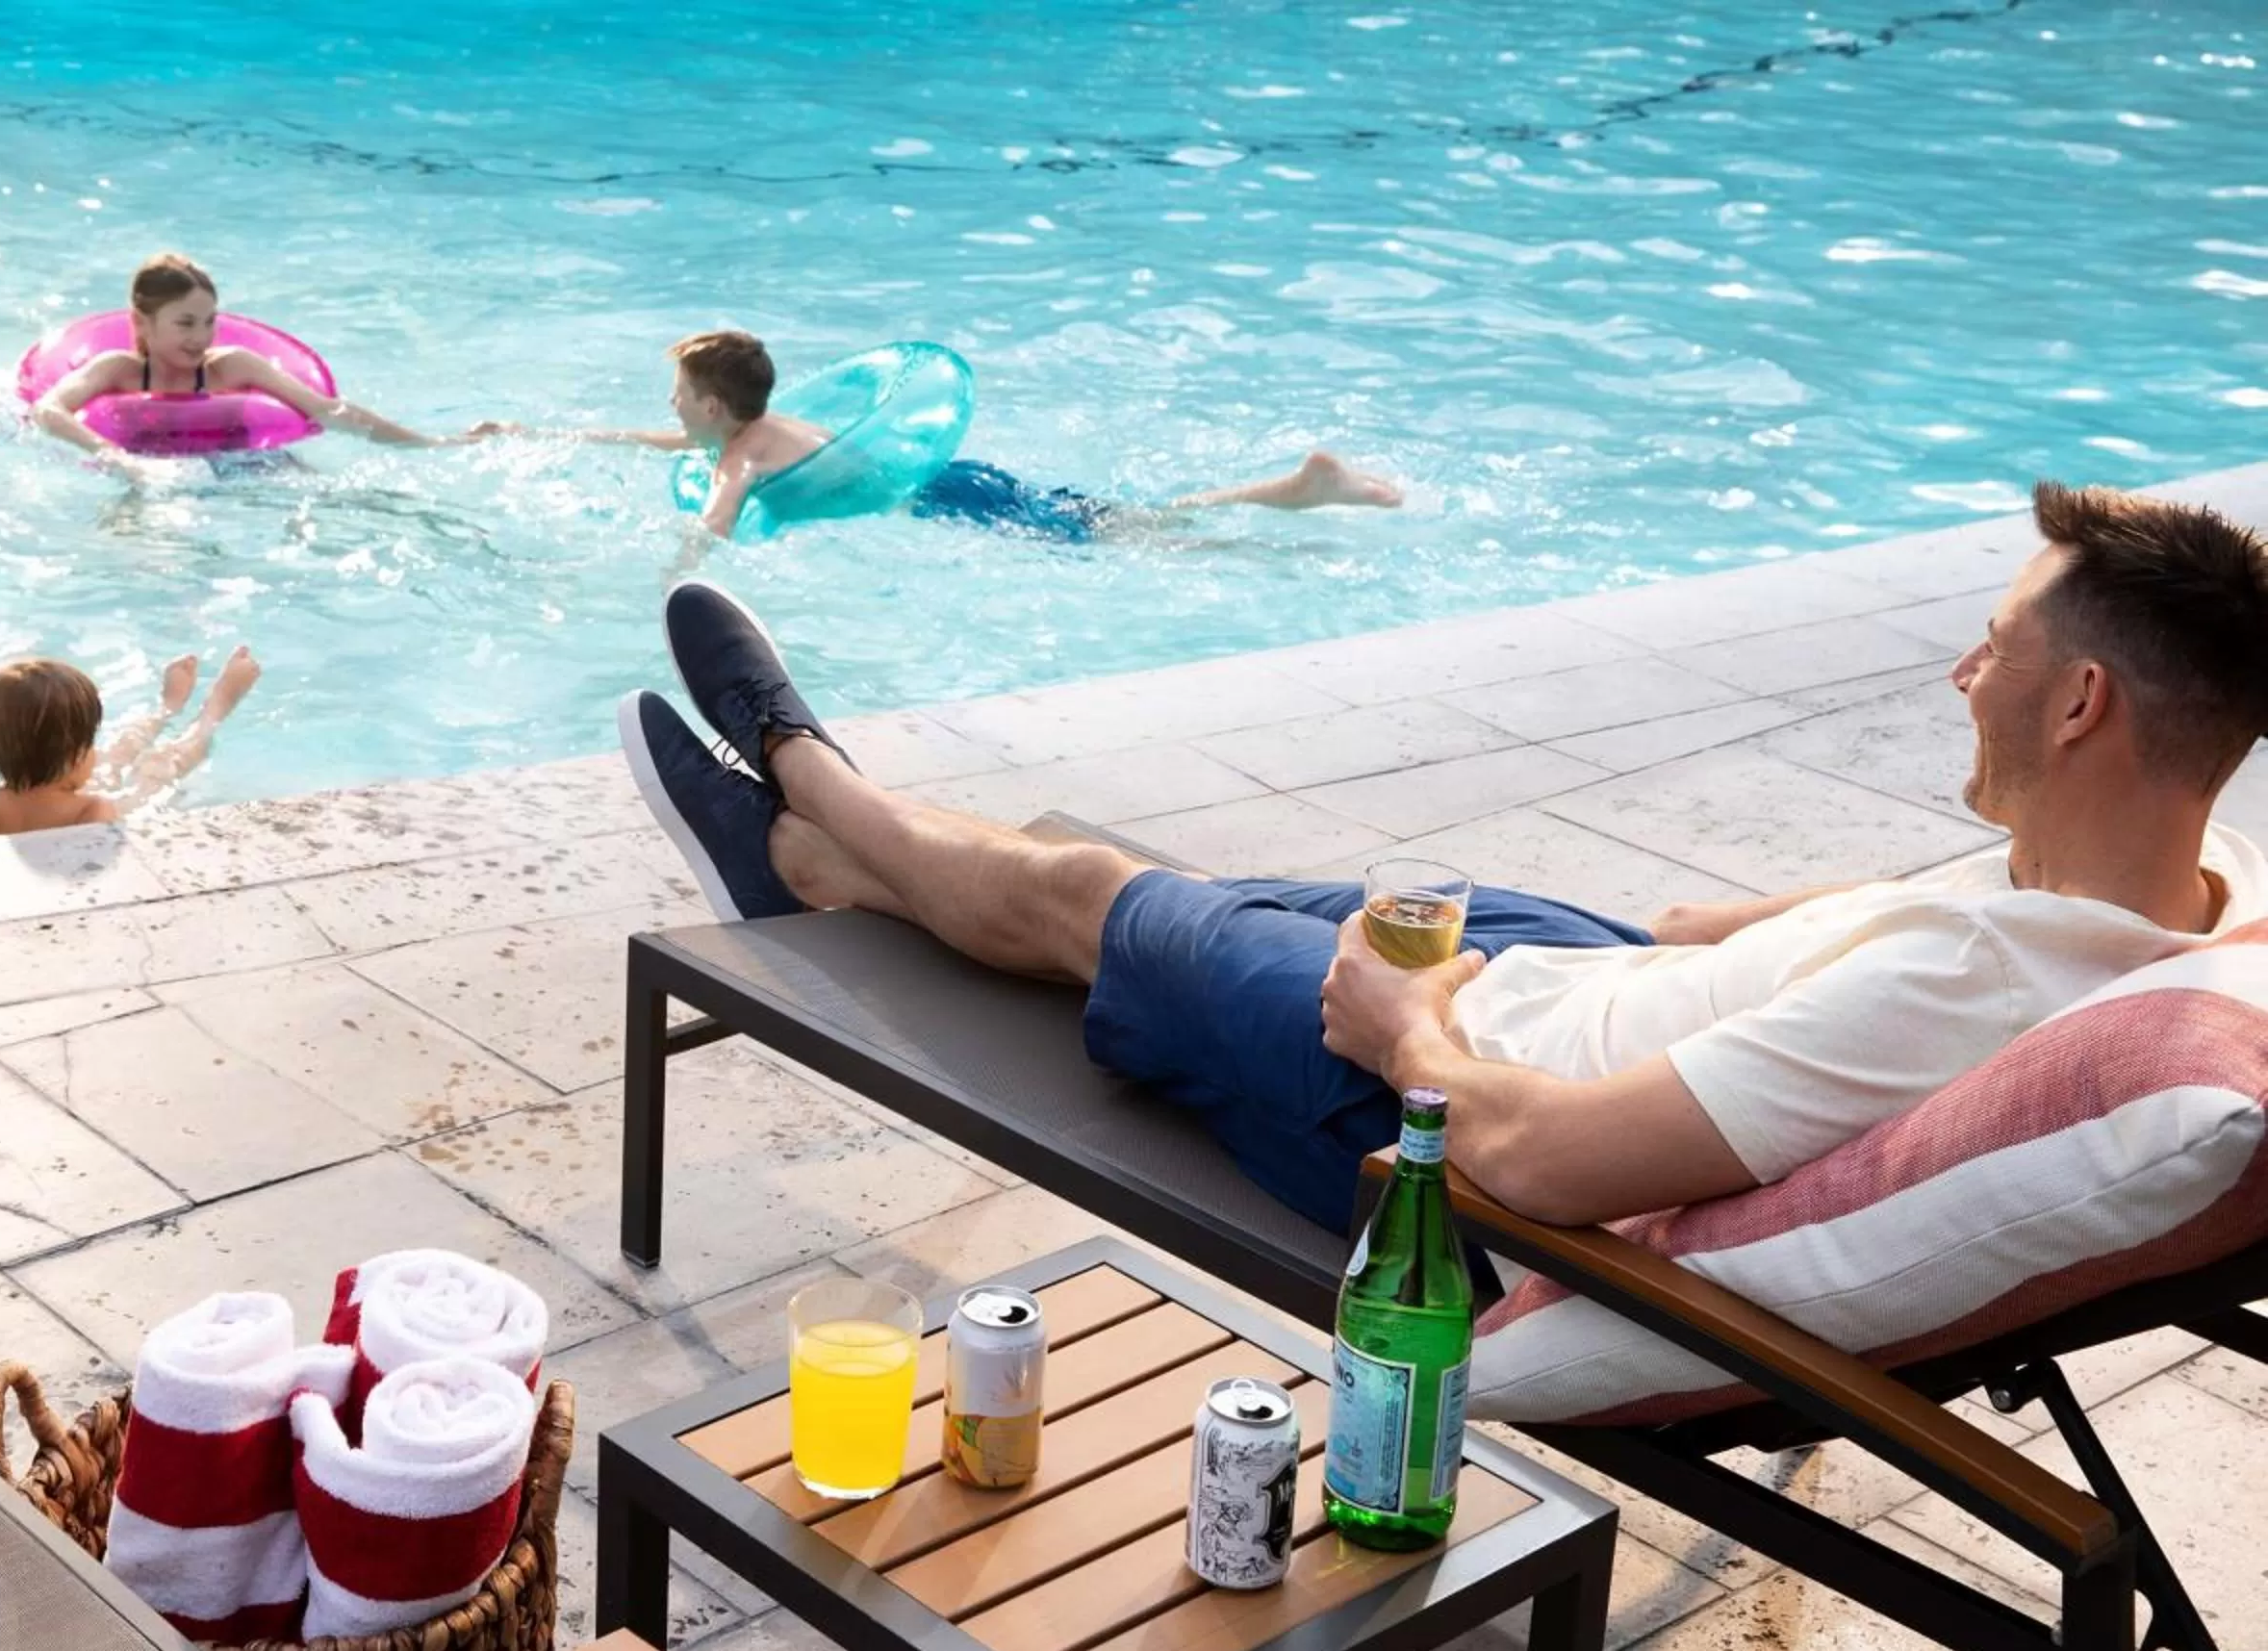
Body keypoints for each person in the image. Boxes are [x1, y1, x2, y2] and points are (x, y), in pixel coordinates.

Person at [614, 481, 2268, 1231]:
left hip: (1448, 1113)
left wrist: (1402, 1035)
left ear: (2082, 707)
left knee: (1087, 896)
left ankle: (801, 772)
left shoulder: (1962, 986)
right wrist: (1750, 922)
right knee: (1195, 897)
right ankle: (814, 872)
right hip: (1622, 977)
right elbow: (1894, 934)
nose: (1961, 674)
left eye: (1993, 650)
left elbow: (1540, 1172)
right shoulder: (2202, 899)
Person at [475, 329, 1402, 550]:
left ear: (714, 408)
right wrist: (549, 432)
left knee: (1135, 541)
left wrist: (672, 576)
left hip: (946, 499)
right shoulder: (774, 422)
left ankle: (1279, 518)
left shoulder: (742, 454)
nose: (670, 406)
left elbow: (716, 520)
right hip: (963, 474)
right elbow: (658, 445)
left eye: (679, 395)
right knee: (1119, 516)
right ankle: (1296, 486)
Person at [31, 253, 454, 474]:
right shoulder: (116, 371)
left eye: (210, 322)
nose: (201, 337)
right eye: (185, 323)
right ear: (143, 323)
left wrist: (430, 444)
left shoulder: (231, 367)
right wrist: (115, 457)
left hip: (243, 467)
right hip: (150, 471)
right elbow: (48, 410)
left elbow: (327, 410)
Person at [0, 646, 262, 839]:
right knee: (160, 768)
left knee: (113, 760)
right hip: (111, 805)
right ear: (78, 755)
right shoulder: (94, 811)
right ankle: (214, 708)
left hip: (65, 787)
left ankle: (167, 708)